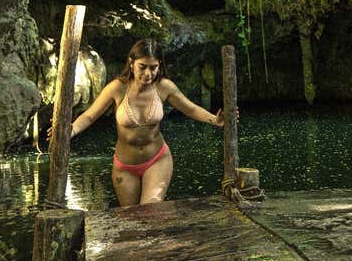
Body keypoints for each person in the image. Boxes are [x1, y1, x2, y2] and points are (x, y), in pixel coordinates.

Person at [50, 38, 228, 207]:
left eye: (153, 67)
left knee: (150, 211)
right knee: (131, 219)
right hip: (124, 167)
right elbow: (89, 116)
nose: (148, 74)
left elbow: (190, 108)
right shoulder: (117, 88)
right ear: (131, 63)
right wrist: (70, 130)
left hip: (157, 159)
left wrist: (215, 120)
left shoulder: (164, 87)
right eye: (142, 67)